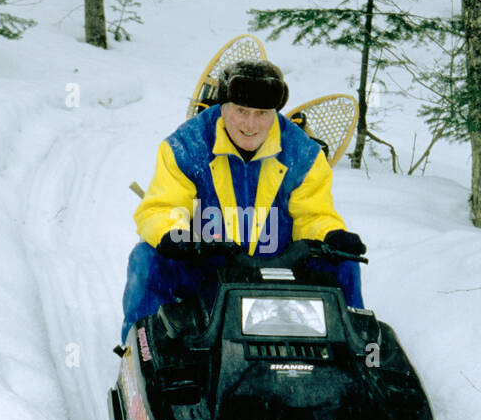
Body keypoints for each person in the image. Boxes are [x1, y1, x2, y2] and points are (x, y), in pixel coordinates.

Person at [120, 59, 366, 341]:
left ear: (275, 112)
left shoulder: (303, 154)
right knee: (147, 258)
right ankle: (143, 347)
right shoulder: (186, 146)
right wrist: (173, 234)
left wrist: (331, 234)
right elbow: (162, 206)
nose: (251, 125)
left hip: (277, 273)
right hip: (206, 271)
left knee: (344, 264)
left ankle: (357, 353)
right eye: (240, 111)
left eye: (262, 113)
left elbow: (314, 215)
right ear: (223, 108)